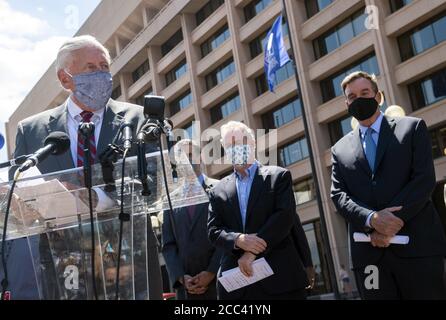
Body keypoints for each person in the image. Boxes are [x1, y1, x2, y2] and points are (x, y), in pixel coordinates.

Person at [1, 35, 162, 300]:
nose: (101, 74)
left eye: (104, 67)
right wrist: (19, 203)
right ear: (65, 79)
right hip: (62, 261)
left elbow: (153, 183)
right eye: (91, 68)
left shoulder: (139, 119)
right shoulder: (31, 131)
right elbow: (23, 193)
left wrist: (95, 198)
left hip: (129, 257)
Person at [331, 71, 446, 300]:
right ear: (347, 104)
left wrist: (390, 222)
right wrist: (372, 220)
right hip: (370, 259)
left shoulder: (412, 128)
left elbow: (423, 180)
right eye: (352, 97)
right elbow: (339, 195)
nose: (359, 99)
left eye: (365, 93)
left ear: (379, 96)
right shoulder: (339, 149)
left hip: (417, 250)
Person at [207, 121, 313, 300]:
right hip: (238, 289)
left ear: (253, 143)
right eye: (230, 145)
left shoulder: (278, 176)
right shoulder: (217, 190)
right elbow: (213, 231)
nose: (236, 149)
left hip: (280, 281)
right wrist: (238, 240)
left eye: (240, 143)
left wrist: (252, 251)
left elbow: (284, 218)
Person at [162, 139, 221, 300]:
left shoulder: (221, 189)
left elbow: (228, 233)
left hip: (219, 285)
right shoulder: (170, 199)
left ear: (200, 157)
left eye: (190, 155)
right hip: (186, 291)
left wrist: (211, 272)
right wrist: (181, 277)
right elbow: (168, 245)